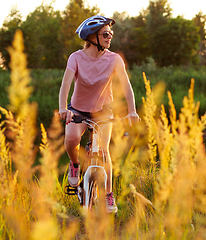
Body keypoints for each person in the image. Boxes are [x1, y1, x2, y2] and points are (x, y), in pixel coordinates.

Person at [58, 15, 140, 213]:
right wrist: (63, 109)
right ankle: (75, 164)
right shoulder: (76, 57)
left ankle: (109, 195)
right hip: (78, 110)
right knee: (71, 139)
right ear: (92, 37)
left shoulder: (114, 59)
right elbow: (65, 85)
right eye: (105, 34)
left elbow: (126, 86)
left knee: (103, 151)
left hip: (103, 112)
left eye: (110, 33)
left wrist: (132, 111)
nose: (109, 37)